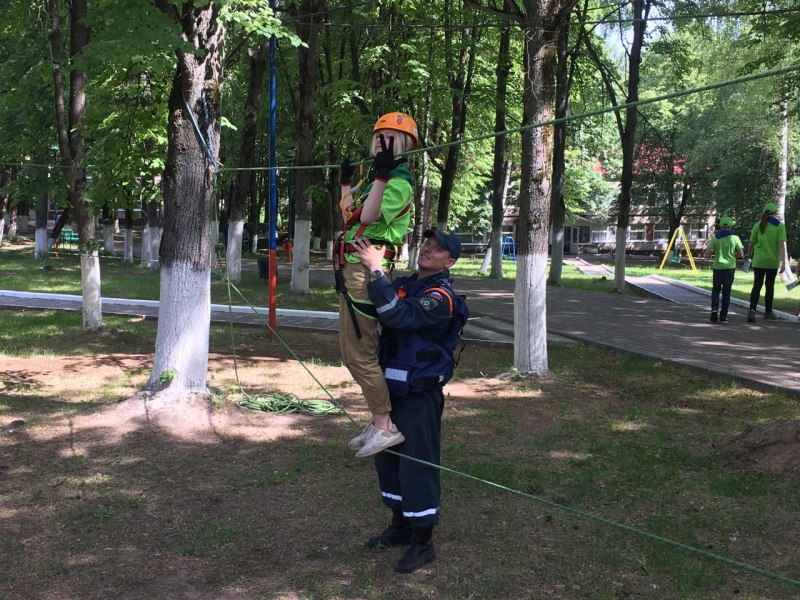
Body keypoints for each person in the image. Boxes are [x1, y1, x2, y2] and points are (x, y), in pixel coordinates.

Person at [351, 229, 469, 574]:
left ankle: (423, 543)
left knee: (418, 467)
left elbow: (399, 315)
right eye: (428, 244)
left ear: (450, 261)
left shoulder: (440, 297)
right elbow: (380, 304)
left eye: (439, 249)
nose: (429, 250)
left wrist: (375, 271)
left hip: (418, 397)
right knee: (388, 463)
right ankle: (400, 527)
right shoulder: (408, 283)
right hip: (388, 396)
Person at [335, 112, 419, 458]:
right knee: (349, 352)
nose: (382, 143)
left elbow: (368, 218)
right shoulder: (374, 180)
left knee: (359, 353)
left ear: (401, 146)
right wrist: (344, 185)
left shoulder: (398, 184)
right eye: (379, 137)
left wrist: (383, 177)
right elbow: (349, 214)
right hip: (351, 268)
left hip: (365, 270)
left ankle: (385, 426)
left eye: (390, 139)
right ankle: (377, 420)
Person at [745, 202, 787, 322]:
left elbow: (751, 243)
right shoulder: (780, 226)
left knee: (757, 285)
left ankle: (752, 310)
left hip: (758, 261)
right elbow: (781, 245)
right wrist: (783, 262)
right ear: (775, 213)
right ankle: (768, 312)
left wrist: (749, 255)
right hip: (772, 261)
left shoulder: (757, 225)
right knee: (769, 287)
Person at [706, 216, 744, 324]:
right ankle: (723, 316)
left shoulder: (715, 238)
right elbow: (741, 254)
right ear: (731, 226)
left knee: (716, 290)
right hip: (730, 268)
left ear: (720, 226)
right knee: (726, 292)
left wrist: (715, 253)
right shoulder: (735, 238)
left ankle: (714, 309)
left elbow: (707, 252)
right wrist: (732, 256)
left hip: (718, 267)